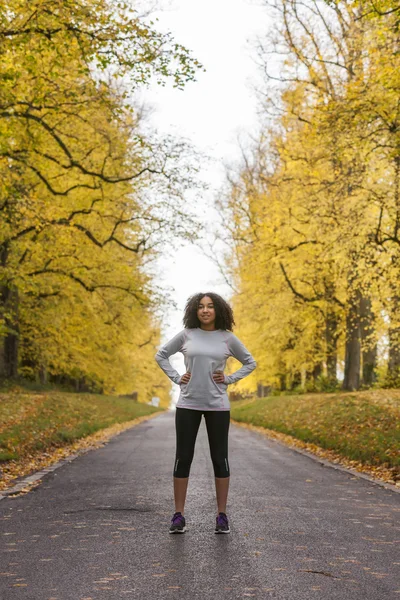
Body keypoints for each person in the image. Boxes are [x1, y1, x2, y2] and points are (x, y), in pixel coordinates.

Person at [155, 292, 256, 534]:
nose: (205, 310)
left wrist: (229, 379)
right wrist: (177, 378)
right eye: (201, 307)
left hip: (217, 405)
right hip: (188, 403)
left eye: (210, 306)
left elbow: (250, 362)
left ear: (218, 310)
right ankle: (178, 515)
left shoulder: (227, 338)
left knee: (220, 458)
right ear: (194, 310)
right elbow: (161, 355)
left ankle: (222, 516)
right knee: (183, 457)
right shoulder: (187, 335)